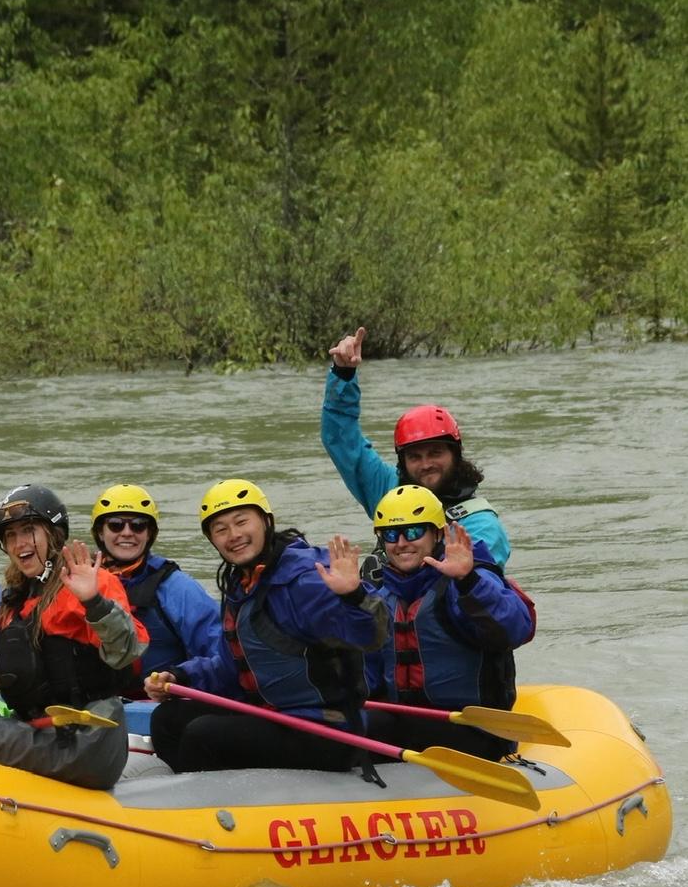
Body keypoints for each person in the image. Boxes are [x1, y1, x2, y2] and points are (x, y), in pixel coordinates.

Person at [0, 485, 148, 790]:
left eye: (28, 530)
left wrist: (94, 603)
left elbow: (127, 651)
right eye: (10, 535)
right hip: (44, 733)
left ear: (53, 534)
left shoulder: (88, 582)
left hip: (86, 742)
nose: (19, 543)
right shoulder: (17, 599)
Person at [144, 479, 388, 774]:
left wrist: (353, 595)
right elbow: (231, 668)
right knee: (168, 719)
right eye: (220, 529)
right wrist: (180, 676)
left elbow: (370, 636)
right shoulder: (242, 584)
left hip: (326, 728)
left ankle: (215, 812)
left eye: (241, 521)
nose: (233, 535)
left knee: (203, 735)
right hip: (275, 716)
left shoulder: (305, 579)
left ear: (266, 522)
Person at [363, 485, 535, 761]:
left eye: (415, 531)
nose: (402, 542)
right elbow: (366, 676)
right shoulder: (381, 597)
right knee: (358, 724)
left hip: (471, 727)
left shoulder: (467, 580)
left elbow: (514, 629)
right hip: (406, 724)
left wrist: (469, 582)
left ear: (438, 533)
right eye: (391, 535)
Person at [322, 326, 511, 567]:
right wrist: (343, 373)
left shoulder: (481, 525)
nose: (426, 465)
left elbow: (477, 590)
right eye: (415, 457)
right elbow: (340, 439)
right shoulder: (388, 492)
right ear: (403, 462)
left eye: (435, 453)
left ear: (455, 455)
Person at [90, 483, 221, 692]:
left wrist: (179, 676)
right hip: (93, 703)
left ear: (150, 533)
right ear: (100, 532)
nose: (127, 532)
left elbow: (218, 654)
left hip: (155, 703)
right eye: (115, 525)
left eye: (138, 525)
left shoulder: (178, 588)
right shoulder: (80, 581)